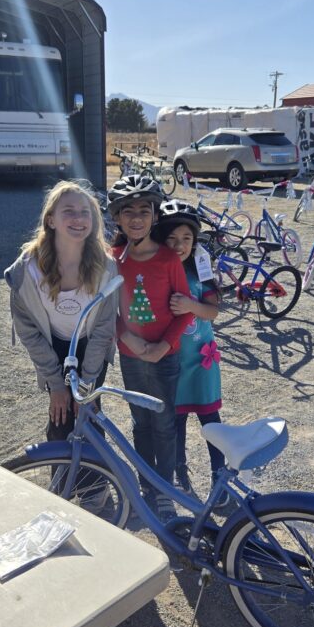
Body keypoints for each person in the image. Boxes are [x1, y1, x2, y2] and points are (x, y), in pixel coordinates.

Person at [107, 174, 193, 523]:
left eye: (145, 210)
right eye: (128, 211)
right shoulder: (112, 259)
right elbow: (105, 309)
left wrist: (164, 346)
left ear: (155, 216)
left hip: (164, 357)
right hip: (130, 357)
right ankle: (147, 485)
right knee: (140, 423)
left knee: (164, 424)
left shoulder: (168, 259)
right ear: (117, 217)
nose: (137, 218)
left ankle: (165, 489)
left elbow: (185, 309)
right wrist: (126, 338)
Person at [4, 181, 117, 442]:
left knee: (88, 415)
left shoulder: (106, 267)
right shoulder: (27, 270)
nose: (78, 218)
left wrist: (87, 384)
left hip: (91, 345)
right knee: (60, 416)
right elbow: (29, 332)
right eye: (69, 211)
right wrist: (56, 384)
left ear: (93, 220)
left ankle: (94, 466)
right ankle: (59, 467)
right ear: (51, 220)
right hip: (52, 344)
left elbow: (104, 328)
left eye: (85, 212)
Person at [152, 200, 230, 509]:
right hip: (173, 363)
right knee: (176, 423)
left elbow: (212, 312)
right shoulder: (158, 271)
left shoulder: (199, 268)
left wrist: (190, 306)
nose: (179, 245)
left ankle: (219, 477)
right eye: (171, 238)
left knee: (211, 421)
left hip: (201, 362)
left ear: (195, 241)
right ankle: (179, 474)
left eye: (186, 238)